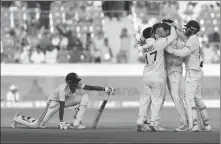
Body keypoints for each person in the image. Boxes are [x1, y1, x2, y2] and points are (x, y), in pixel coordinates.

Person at [11, 73, 115, 129]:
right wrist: (61, 122)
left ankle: (76, 123)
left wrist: (105, 89)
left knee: (84, 96)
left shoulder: (75, 85)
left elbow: (89, 87)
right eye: (75, 82)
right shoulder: (62, 89)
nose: (77, 84)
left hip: (65, 100)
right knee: (38, 125)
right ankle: (18, 117)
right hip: (52, 104)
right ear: (69, 82)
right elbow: (61, 106)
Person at [166, 20, 212, 132]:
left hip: (192, 72)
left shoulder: (192, 40)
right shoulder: (192, 39)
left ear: (192, 30)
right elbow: (182, 37)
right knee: (197, 98)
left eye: (187, 28)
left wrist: (170, 49)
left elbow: (183, 53)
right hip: (196, 71)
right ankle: (206, 124)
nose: (185, 30)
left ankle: (193, 125)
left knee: (188, 97)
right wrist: (175, 27)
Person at [137, 22, 178, 132]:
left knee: (144, 100)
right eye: (154, 32)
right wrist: (173, 26)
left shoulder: (144, 47)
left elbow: (146, 43)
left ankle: (141, 120)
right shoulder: (158, 43)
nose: (156, 33)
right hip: (157, 76)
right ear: (152, 35)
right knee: (157, 100)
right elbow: (173, 36)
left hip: (146, 76)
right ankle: (154, 122)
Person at [161, 19, 188, 132]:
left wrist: (175, 62)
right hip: (166, 71)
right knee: (170, 96)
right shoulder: (165, 40)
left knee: (175, 96)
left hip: (175, 71)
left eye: (166, 27)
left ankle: (185, 122)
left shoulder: (178, 41)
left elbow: (182, 57)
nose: (163, 29)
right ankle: (153, 122)